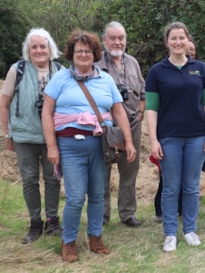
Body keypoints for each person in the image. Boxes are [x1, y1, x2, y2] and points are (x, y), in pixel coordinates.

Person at [41, 29, 136, 262]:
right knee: (75, 197)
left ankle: (95, 237)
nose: (83, 55)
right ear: (71, 54)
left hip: (99, 145)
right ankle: (69, 242)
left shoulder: (105, 79)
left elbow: (118, 111)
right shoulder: (60, 78)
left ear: (95, 54)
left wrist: (129, 142)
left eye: (87, 51)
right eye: (78, 51)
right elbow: (47, 112)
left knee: (97, 193)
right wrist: (52, 147)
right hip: (69, 145)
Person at [146, 22, 205, 252]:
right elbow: (152, 108)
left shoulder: (201, 69)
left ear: (188, 41)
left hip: (197, 137)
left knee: (192, 187)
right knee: (170, 187)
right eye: (173, 38)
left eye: (181, 38)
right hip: (169, 138)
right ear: (167, 42)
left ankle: (190, 229)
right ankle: (169, 234)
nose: (178, 42)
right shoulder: (157, 71)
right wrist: (153, 140)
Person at [0, 28, 64, 244]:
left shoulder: (60, 71)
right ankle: (35, 223)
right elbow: (4, 104)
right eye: (34, 46)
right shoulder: (16, 70)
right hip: (24, 137)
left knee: (53, 179)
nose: (38, 50)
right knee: (29, 180)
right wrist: (7, 132)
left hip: (52, 138)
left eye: (42, 46)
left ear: (50, 49)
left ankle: (52, 221)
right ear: (29, 49)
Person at [95, 21, 145, 228]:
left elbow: (143, 92)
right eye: (113, 38)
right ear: (104, 40)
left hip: (132, 123)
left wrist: (141, 112)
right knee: (101, 172)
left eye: (121, 38)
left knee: (130, 170)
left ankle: (127, 214)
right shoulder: (96, 64)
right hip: (105, 126)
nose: (117, 42)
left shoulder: (132, 62)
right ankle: (102, 216)